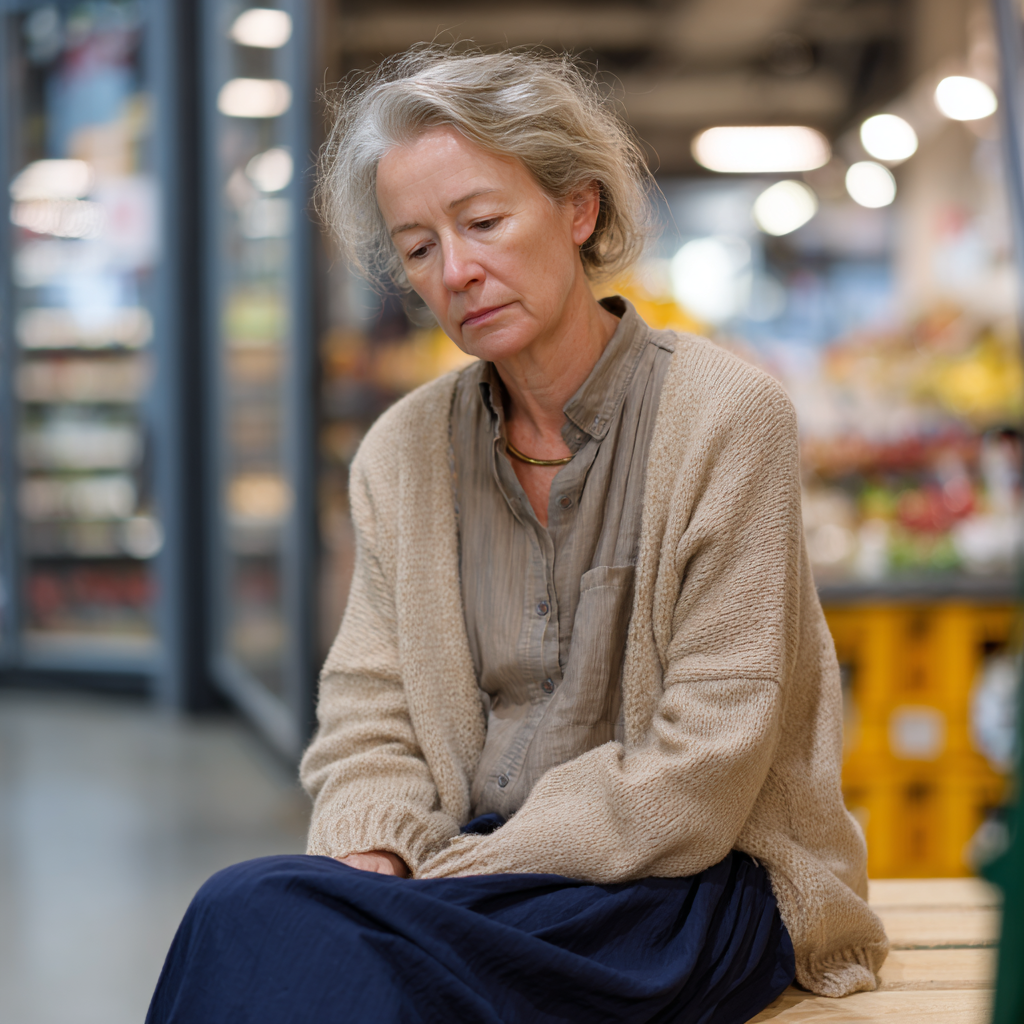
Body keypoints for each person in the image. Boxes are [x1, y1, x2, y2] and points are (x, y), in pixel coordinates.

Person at [147, 45, 888, 1024]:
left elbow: (707, 763)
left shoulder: (724, 418)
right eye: (417, 248)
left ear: (577, 211)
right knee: (244, 911)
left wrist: (456, 876)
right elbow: (368, 716)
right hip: (483, 874)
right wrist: (379, 851)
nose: (455, 271)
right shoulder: (401, 452)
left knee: (316, 952)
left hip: (689, 882)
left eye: (484, 222)